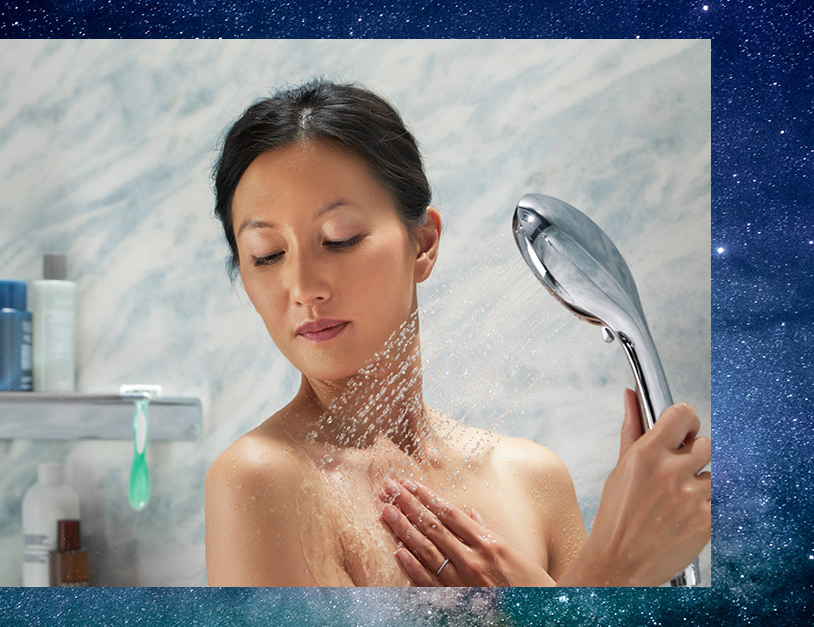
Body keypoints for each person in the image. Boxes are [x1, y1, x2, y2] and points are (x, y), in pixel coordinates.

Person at [203, 80, 710, 587]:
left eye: (340, 239)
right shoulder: (262, 478)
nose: (303, 288)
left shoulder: (532, 477)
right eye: (267, 254)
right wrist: (614, 567)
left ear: (422, 243)